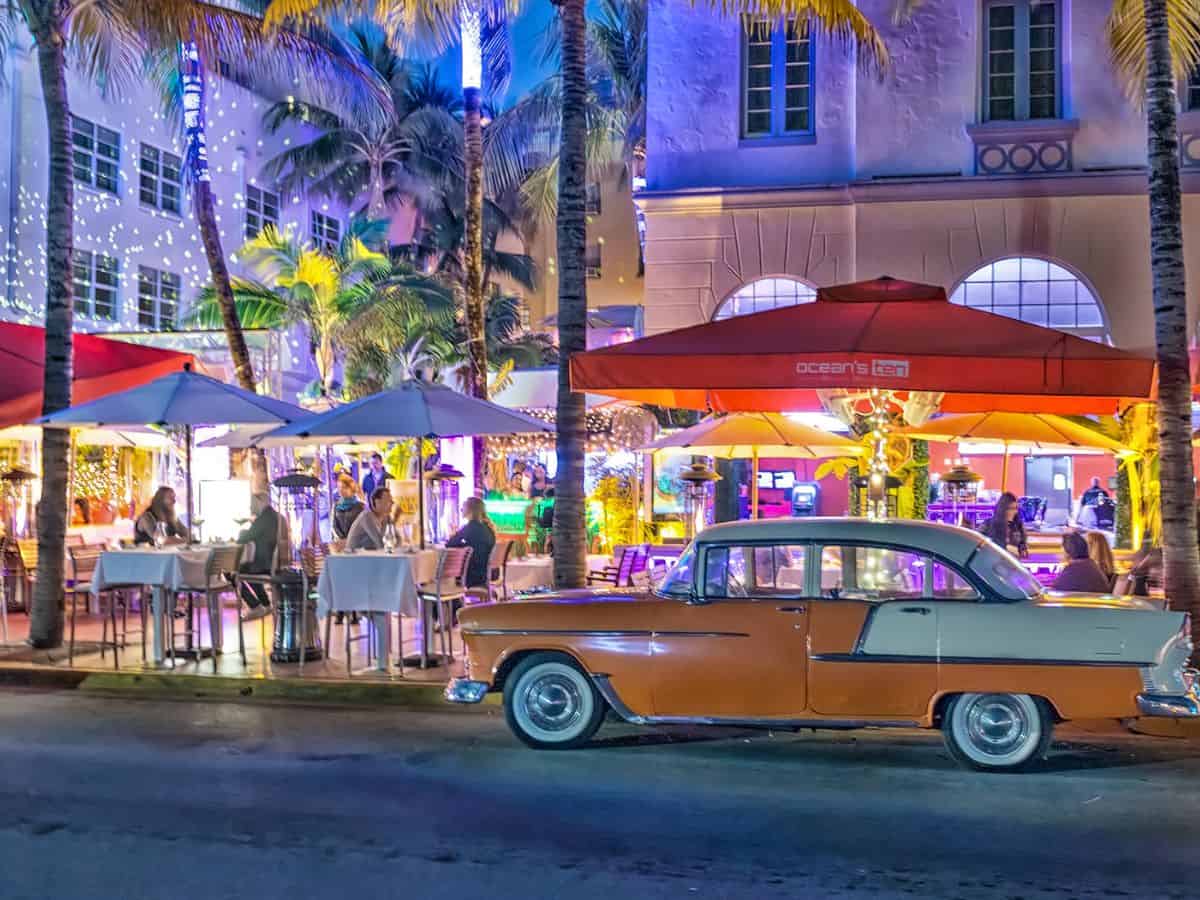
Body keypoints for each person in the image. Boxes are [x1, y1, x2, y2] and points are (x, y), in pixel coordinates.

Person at [235, 492, 280, 619]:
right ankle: (264, 604)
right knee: (245, 570)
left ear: (261, 502)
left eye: (253, 504)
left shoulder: (264, 518)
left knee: (231, 572)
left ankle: (255, 605)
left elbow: (246, 537)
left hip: (262, 563)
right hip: (268, 562)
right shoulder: (273, 516)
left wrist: (241, 532)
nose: (251, 507)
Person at [447, 497, 496, 589]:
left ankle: (451, 601)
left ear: (470, 511)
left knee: (444, 574)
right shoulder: (488, 528)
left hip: (472, 576)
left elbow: (449, 544)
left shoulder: (470, 527)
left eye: (463, 508)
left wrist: (454, 534)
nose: (461, 510)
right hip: (484, 574)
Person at [979, 491, 1028, 558]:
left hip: (1012, 564)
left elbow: (1024, 550)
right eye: (1011, 509)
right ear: (1002, 509)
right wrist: (1006, 547)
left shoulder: (1018, 525)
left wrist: (1022, 551)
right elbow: (979, 544)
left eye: (1016, 508)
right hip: (992, 562)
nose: (1014, 512)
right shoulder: (988, 524)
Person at [345, 486, 393, 551]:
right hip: (355, 558)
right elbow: (379, 542)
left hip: (369, 556)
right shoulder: (366, 517)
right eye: (388, 500)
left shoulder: (385, 518)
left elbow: (395, 538)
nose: (392, 503)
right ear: (377, 502)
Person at [332, 475, 365, 541]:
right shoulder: (336, 505)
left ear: (351, 488)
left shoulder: (360, 506)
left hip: (356, 543)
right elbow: (334, 525)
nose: (340, 490)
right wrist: (341, 538)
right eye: (339, 487)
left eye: (344, 487)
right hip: (340, 542)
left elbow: (363, 527)